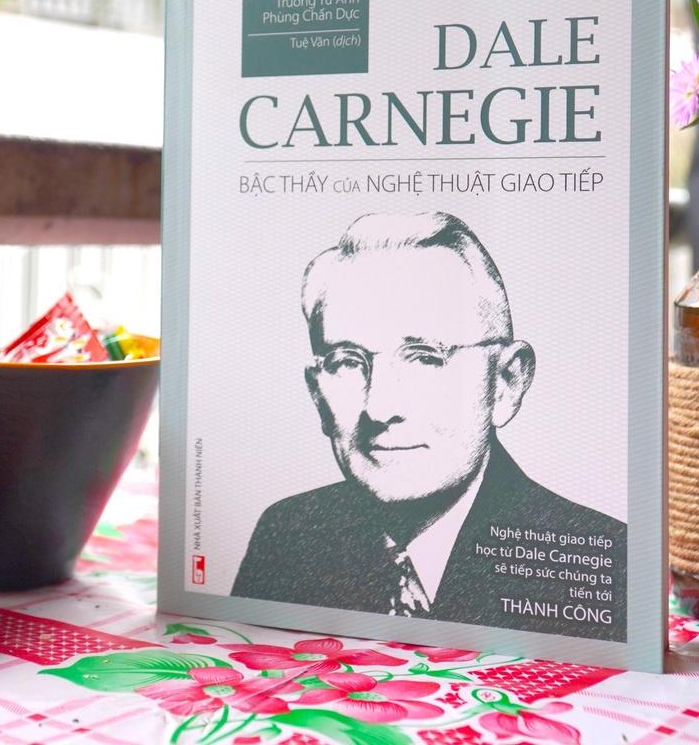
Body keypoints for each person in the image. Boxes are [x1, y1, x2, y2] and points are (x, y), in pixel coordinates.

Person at [231, 211, 626, 639]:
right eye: (347, 361)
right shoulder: (287, 534)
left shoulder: (605, 560)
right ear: (316, 394)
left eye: (424, 357)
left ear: (504, 383)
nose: (379, 408)